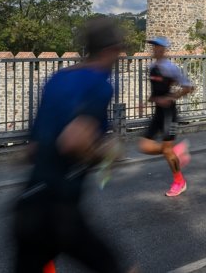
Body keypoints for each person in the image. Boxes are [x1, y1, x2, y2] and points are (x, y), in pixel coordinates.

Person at [13, 18, 135, 273]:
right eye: (119, 50)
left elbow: (31, 151)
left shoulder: (57, 78)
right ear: (109, 50)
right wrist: (106, 154)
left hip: (27, 206)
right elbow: (72, 140)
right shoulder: (99, 84)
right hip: (58, 212)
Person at [139, 37, 194, 196]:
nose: (154, 49)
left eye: (157, 47)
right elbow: (156, 91)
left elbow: (188, 87)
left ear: (164, 50)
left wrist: (172, 98)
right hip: (158, 112)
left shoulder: (170, 68)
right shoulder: (152, 67)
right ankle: (175, 151)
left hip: (169, 112)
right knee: (144, 146)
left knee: (167, 151)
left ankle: (179, 181)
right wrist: (146, 102)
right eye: (153, 47)